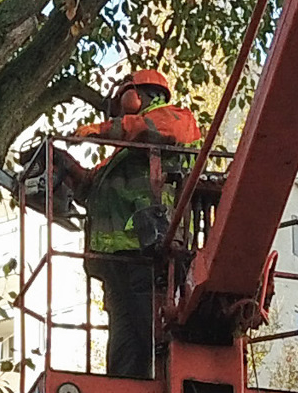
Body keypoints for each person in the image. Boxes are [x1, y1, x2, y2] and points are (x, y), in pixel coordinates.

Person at [65, 69, 202, 377]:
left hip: (150, 247)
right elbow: (92, 188)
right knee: (124, 346)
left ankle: (163, 383)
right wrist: (65, 166)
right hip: (116, 258)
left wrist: (100, 129)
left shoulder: (176, 118)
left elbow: (150, 130)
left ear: (139, 95)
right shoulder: (121, 157)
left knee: (150, 333)